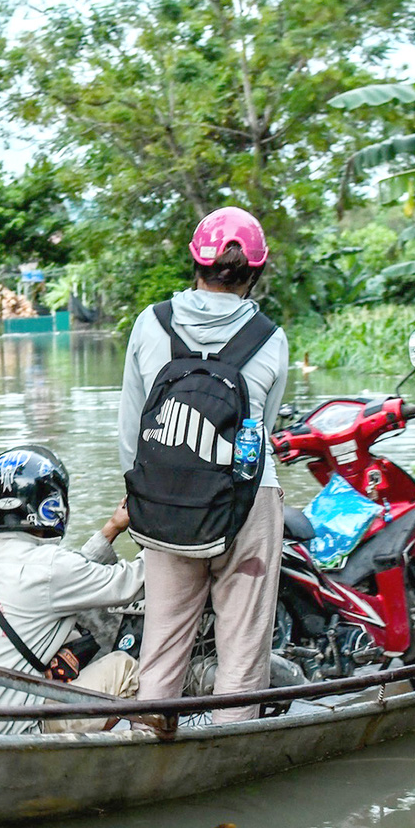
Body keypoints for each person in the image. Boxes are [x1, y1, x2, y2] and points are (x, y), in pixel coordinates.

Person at [119, 206, 290, 722]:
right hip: (246, 504)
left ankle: (150, 747)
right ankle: (226, 758)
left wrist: (144, 497)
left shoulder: (151, 325)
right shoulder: (271, 338)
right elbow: (263, 431)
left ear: (195, 263)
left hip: (165, 499)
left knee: (162, 646)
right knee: (242, 656)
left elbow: (131, 433)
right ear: (254, 275)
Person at [0, 447, 145, 736]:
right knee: (127, 668)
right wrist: (172, 540)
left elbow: (66, 575)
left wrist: (112, 528)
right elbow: (133, 582)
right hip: (16, 733)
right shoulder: (50, 566)